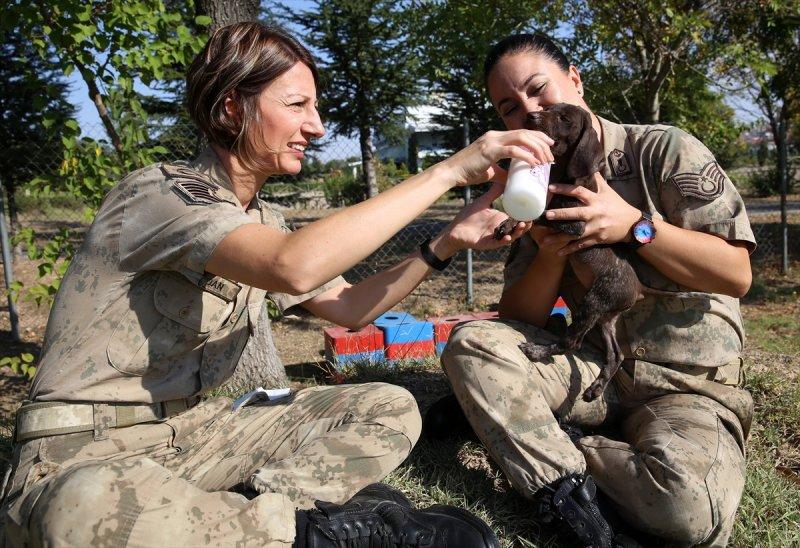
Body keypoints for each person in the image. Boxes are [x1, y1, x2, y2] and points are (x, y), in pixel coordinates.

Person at [0, 23, 558, 547]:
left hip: (194, 433)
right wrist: (448, 171)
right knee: (80, 509)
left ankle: (255, 515)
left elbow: (349, 307)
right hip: (85, 450)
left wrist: (447, 242)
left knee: (389, 405)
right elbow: (293, 267)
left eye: (314, 107)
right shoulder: (158, 194)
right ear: (231, 107)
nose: (316, 127)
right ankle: (316, 530)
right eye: (296, 105)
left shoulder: (263, 221)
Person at [440, 33, 756, 547]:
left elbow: (736, 274)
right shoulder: (533, 182)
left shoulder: (662, 150)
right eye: (510, 108)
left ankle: (547, 440)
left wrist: (635, 226)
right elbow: (520, 318)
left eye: (539, 90)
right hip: (589, 369)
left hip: (685, 387)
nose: (530, 111)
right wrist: (549, 251)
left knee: (686, 508)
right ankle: (568, 499)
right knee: (472, 345)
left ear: (575, 80)